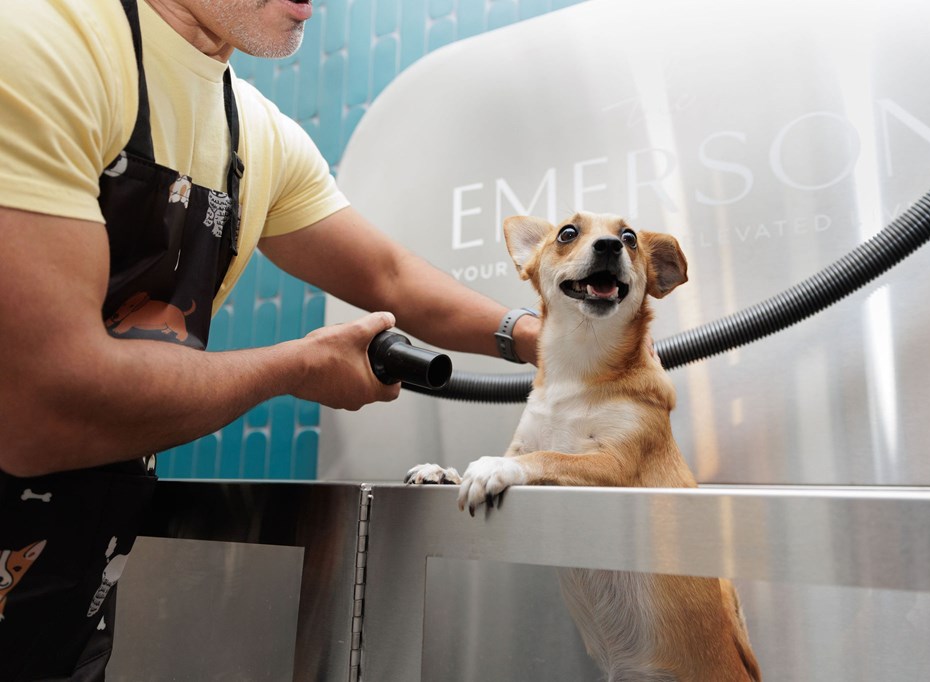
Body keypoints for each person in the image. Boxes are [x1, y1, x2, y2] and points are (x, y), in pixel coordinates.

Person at [0, 0, 540, 678]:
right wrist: (298, 367)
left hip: (69, 592)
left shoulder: (255, 134)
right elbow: (43, 408)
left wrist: (538, 337)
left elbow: (390, 276)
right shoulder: (40, 41)